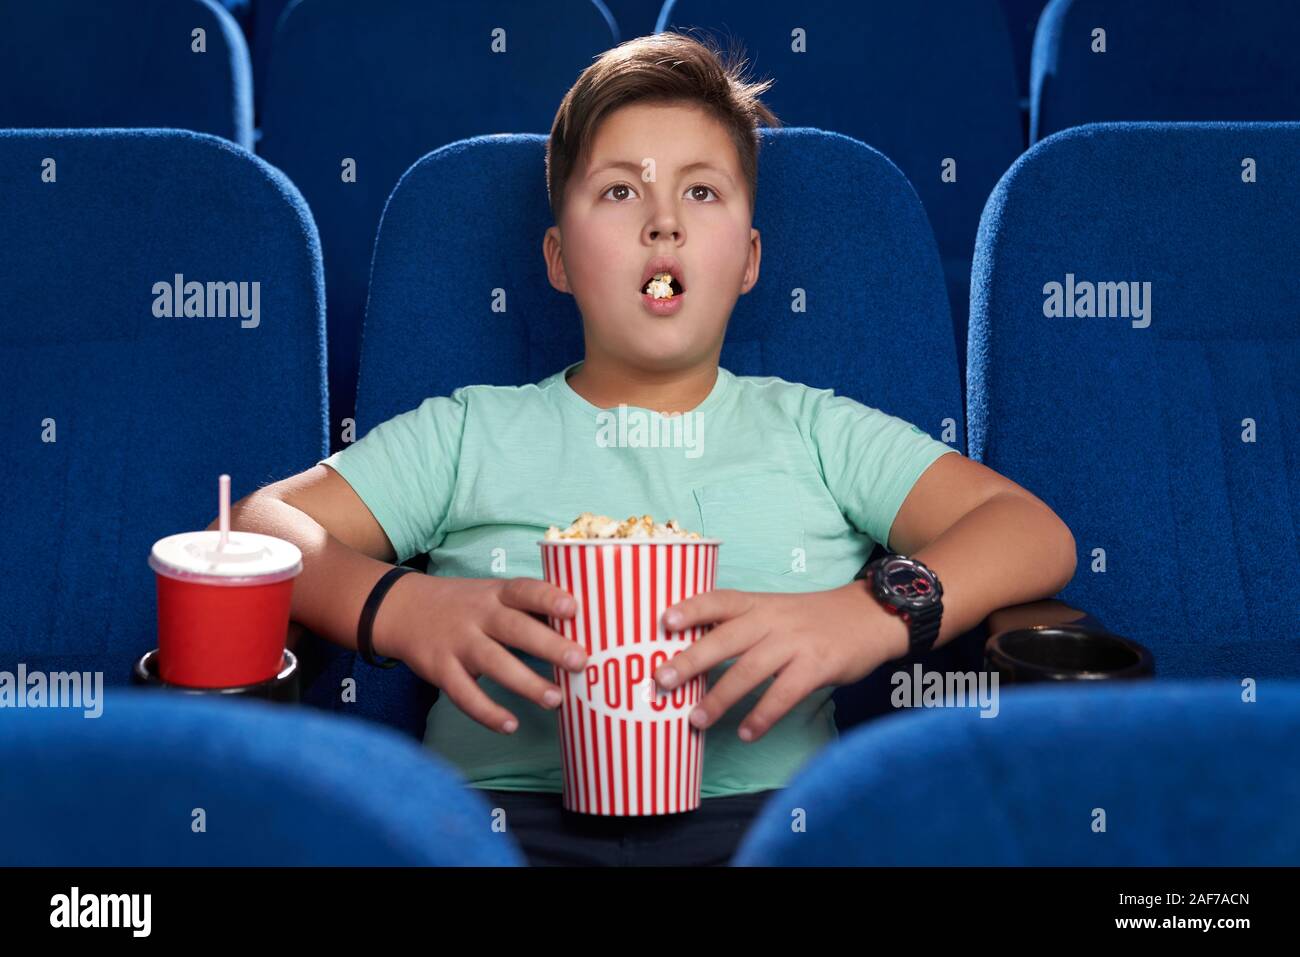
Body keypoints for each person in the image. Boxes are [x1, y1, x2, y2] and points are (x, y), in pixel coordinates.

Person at [212, 32, 1076, 866]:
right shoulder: (472, 428)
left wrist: (871, 610)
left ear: (748, 259)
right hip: (495, 822)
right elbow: (260, 524)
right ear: (557, 258)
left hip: (773, 824)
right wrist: (399, 609)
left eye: (701, 193)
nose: (663, 224)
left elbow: (1030, 530)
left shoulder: (815, 429)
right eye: (620, 192)